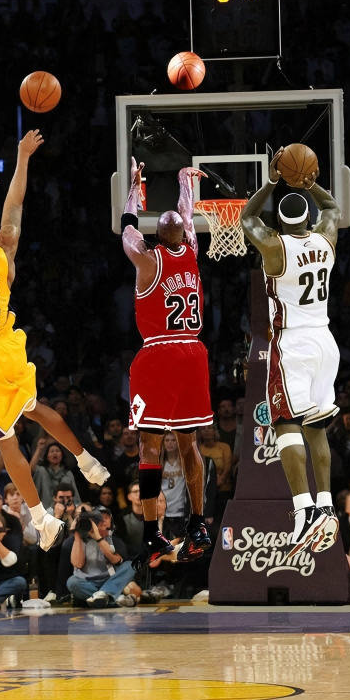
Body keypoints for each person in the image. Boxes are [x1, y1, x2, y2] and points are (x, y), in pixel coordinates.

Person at [0, 136, 107, 555]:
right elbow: (14, 205)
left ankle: (41, 518)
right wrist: (22, 156)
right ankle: (87, 460)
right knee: (35, 408)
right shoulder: (5, 257)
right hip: (9, 347)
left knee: (6, 441)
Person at [240, 147, 342, 560]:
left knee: (284, 423)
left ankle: (304, 512)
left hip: (293, 343)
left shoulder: (275, 247)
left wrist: (271, 180)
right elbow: (332, 208)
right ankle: (326, 506)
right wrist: (309, 183)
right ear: (308, 219)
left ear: (281, 221)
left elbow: (248, 219)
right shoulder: (327, 237)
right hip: (325, 341)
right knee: (316, 427)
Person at [119, 159, 214, 565]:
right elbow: (187, 214)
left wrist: (134, 188)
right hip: (193, 353)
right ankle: (198, 524)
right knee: (190, 443)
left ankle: (152, 534)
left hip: (159, 353)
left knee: (150, 444)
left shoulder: (146, 259)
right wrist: (184, 181)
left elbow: (127, 226)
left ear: (155, 236)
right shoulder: (191, 249)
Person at [65, 510, 137, 607]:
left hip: (110, 580)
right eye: (99, 519)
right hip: (88, 582)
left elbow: (115, 560)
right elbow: (77, 564)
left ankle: (104, 596)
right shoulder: (80, 540)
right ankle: (113, 599)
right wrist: (77, 535)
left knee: (130, 565)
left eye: (106, 518)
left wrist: (98, 538)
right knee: (72, 582)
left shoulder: (113, 538)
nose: (102, 521)